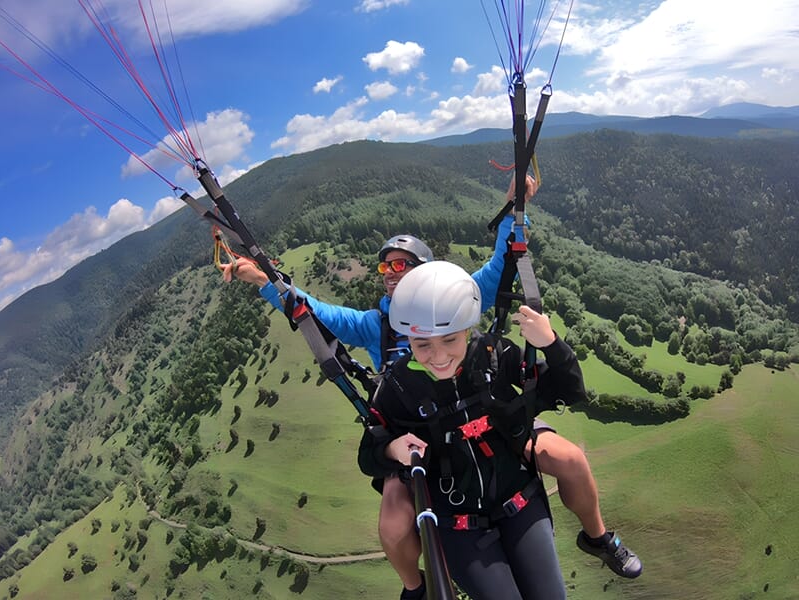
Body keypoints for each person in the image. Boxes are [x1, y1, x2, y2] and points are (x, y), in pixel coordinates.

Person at [223, 176, 641, 598]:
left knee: (568, 458)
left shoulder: (458, 298)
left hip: (486, 417)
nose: (392, 273)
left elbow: (503, 264)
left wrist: (515, 206)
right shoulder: (377, 326)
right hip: (416, 431)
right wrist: (265, 281)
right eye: (386, 266)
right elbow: (315, 313)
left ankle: (599, 536)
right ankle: (416, 586)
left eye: (403, 265)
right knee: (394, 525)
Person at [359, 261, 583, 599]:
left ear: (467, 329)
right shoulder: (398, 387)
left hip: (520, 502)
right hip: (457, 525)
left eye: (449, 339)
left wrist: (551, 344)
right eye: (423, 345)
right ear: (408, 340)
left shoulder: (494, 355)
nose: (438, 356)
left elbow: (570, 391)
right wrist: (392, 450)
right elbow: (368, 456)